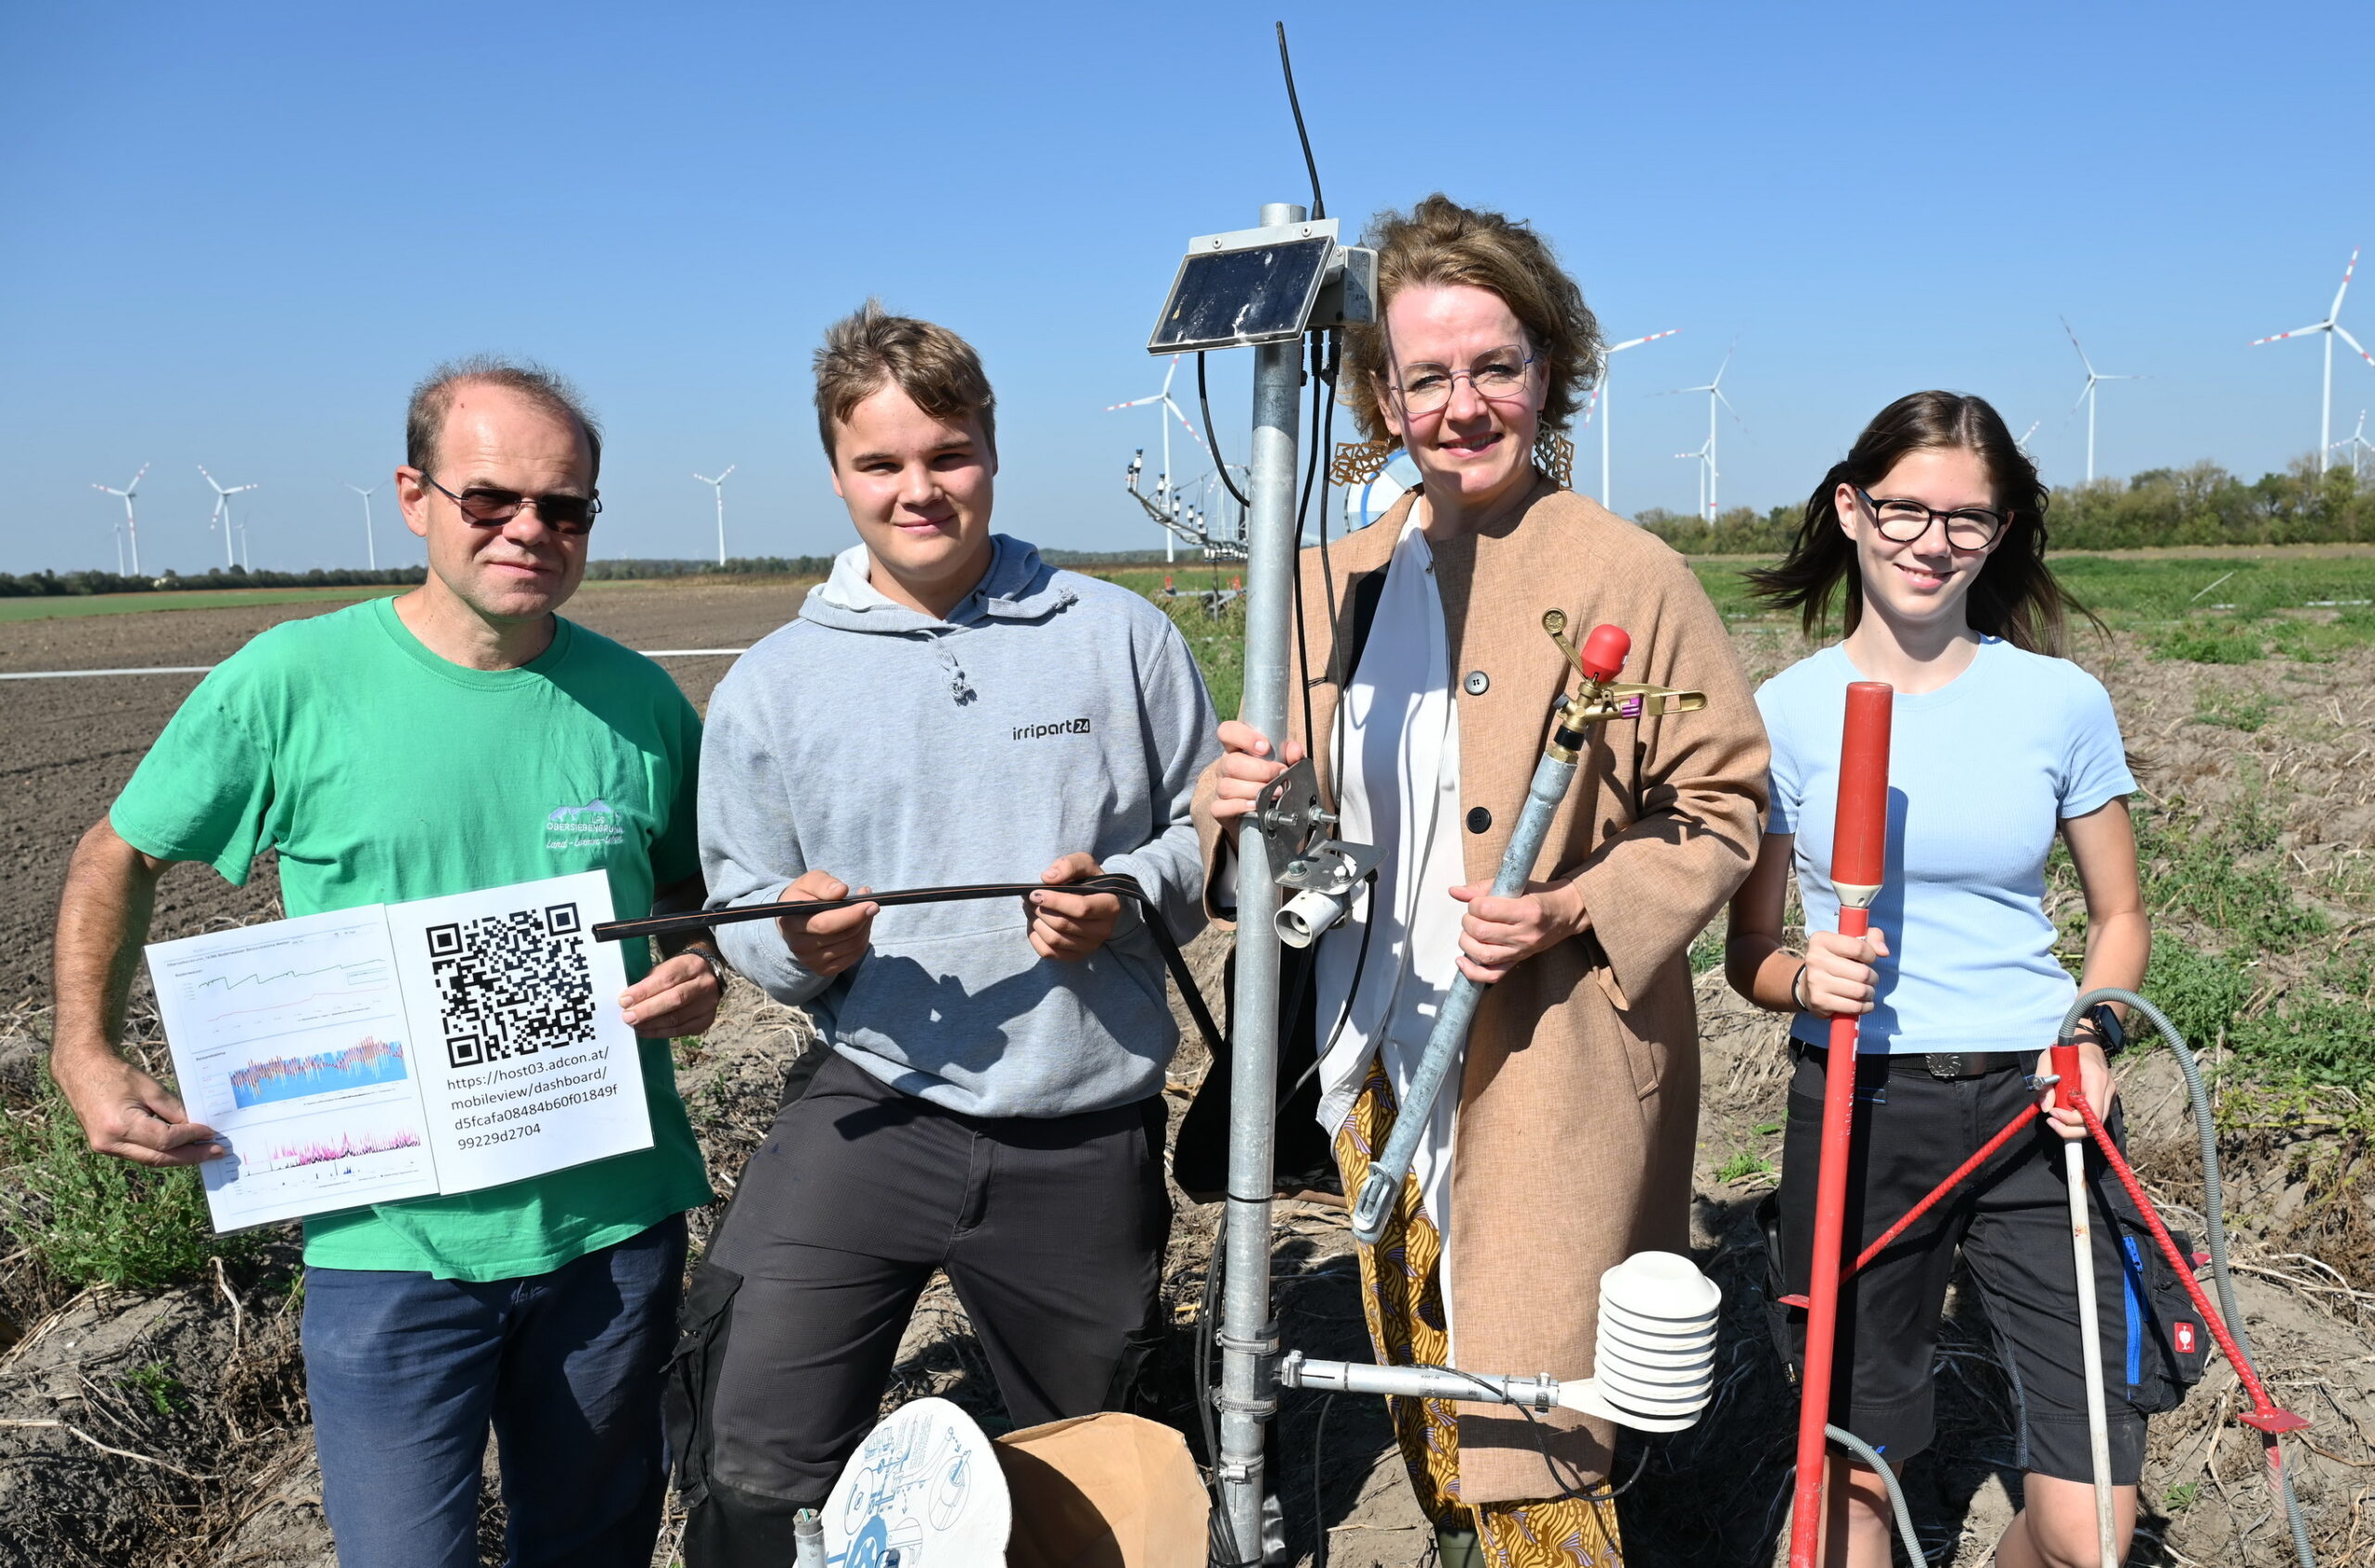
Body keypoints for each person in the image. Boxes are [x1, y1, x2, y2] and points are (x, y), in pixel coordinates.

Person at [48, 360, 723, 1568]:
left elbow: (685, 890)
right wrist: (85, 1050)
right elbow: (119, 853)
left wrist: (691, 962)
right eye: (492, 498)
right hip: (386, 1242)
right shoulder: (292, 682)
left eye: (565, 507)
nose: (531, 528)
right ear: (414, 495)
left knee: (595, 1545)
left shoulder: (641, 704)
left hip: (612, 1230)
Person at [1196, 194, 1769, 1568]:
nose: (1463, 404)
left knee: (1534, 1429)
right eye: (1426, 376)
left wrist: (1575, 904)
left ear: (1549, 372)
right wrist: (1233, 814)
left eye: (1494, 366)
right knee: (1427, 1398)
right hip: (1367, 1059)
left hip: (1545, 1065)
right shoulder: (1326, 582)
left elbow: (1724, 804)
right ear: (1380, 397)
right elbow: (1271, 843)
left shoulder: (1628, 572)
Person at [674, 302, 1218, 1564]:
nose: (918, 489)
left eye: (947, 455)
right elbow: (741, 899)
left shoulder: (1121, 637)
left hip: (1083, 1130)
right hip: (875, 1107)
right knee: (752, 1440)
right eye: (881, 463)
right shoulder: (773, 684)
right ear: (836, 471)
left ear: (991, 448)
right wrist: (798, 948)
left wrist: (1128, 891)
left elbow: (1206, 847)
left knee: (1097, 1476)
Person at [1725, 391, 2158, 1567]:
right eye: (1907, 508)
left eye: (1968, 519)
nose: (1932, 540)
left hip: (2036, 1109)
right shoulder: (1784, 714)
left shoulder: (2058, 702)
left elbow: (2119, 916)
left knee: (2090, 1529)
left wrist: (2091, 1035)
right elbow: (1746, 953)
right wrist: (1803, 976)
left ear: (2002, 531)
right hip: (1863, 1106)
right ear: (1851, 508)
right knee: (1852, 1478)